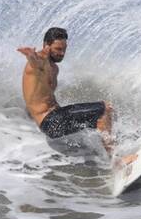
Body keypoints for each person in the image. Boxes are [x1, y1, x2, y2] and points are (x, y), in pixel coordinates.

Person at [18, 27, 122, 156]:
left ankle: (115, 145)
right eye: (58, 49)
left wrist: (30, 117)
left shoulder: (54, 68)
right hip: (52, 122)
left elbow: (38, 98)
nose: (62, 53)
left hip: (54, 121)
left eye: (64, 49)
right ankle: (117, 159)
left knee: (104, 118)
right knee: (106, 108)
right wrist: (31, 56)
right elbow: (36, 62)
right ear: (46, 46)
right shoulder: (40, 61)